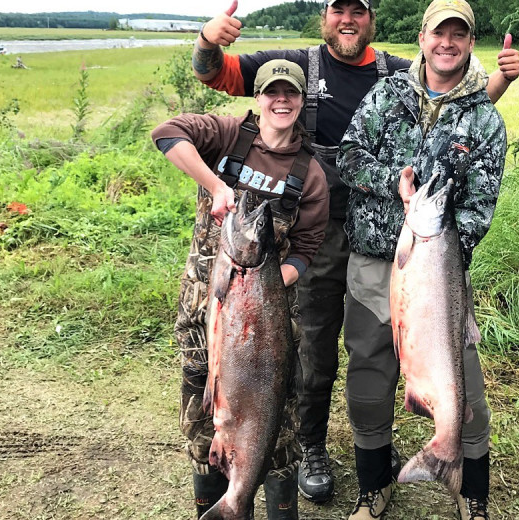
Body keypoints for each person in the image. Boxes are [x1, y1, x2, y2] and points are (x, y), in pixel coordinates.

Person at [193, 0, 519, 503]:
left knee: (435, 365)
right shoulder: (313, 69)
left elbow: (463, 116)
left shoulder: (396, 74)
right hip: (323, 233)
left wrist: (496, 85)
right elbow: (221, 77)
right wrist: (207, 41)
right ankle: (321, 453)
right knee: (319, 350)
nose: (349, 19)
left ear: (372, 20)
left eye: (360, 10)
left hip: (415, 255)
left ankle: (452, 479)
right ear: (326, 16)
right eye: (339, 9)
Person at [336, 0, 507, 518]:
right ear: (422, 37)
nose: (447, 43)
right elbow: (348, 155)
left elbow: (479, 207)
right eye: (439, 33)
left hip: (439, 275)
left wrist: (438, 245)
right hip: (372, 265)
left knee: (462, 384)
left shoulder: (485, 120)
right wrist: (395, 184)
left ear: (470, 43)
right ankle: (375, 487)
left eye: (459, 34)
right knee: (368, 379)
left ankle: (469, 493)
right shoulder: (387, 94)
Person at [151, 59, 329, 520]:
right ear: (258, 98)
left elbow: (306, 249)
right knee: (204, 418)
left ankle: (260, 502)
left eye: (291, 93)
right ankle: (218, 506)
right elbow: (166, 133)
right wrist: (214, 185)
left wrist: (263, 282)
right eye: (272, 91)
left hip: (266, 325)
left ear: (302, 100)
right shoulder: (227, 135)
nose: (281, 100)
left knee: (277, 423)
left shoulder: (310, 173)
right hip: (201, 319)